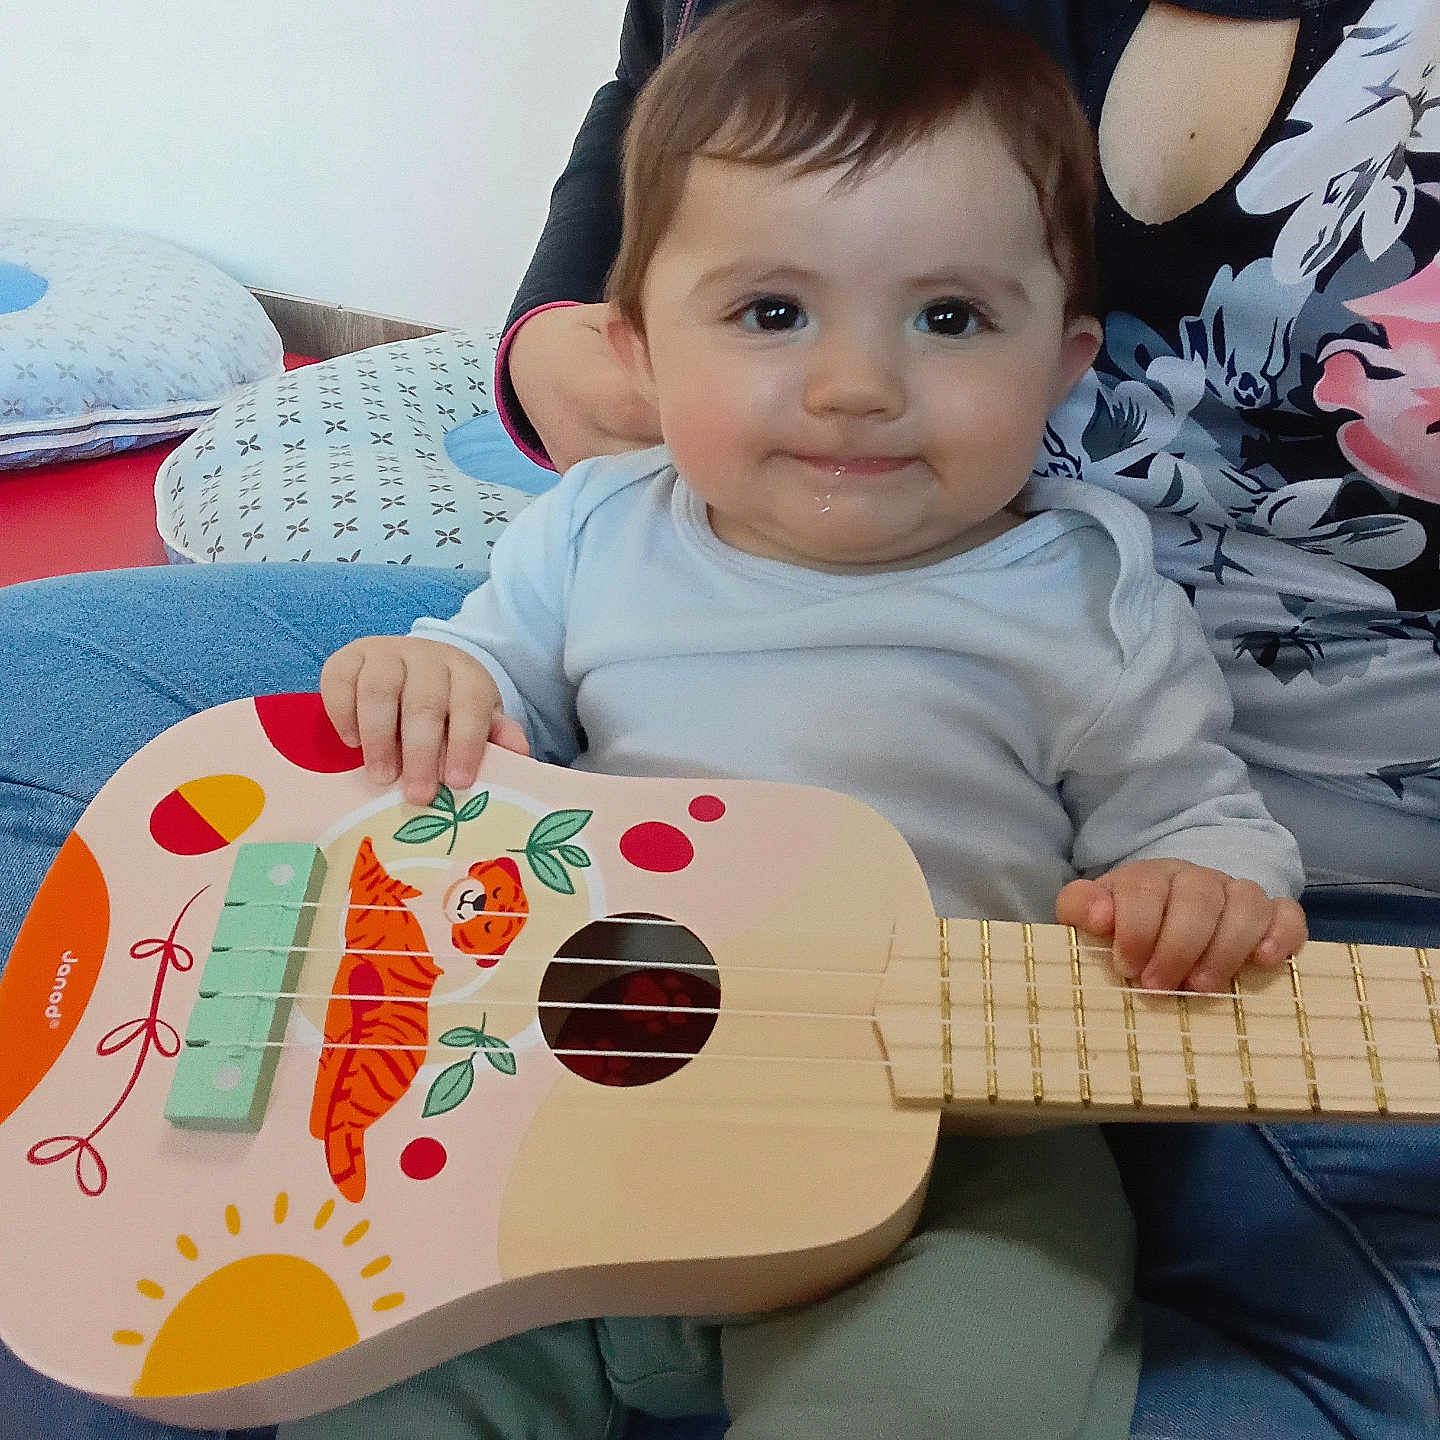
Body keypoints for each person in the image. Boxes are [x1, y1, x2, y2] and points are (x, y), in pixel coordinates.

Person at [0, 0, 1435, 1438]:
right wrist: (432, 683)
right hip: (558, 1113)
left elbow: (1190, 819)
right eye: (769, 313)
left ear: (1064, 365)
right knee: (351, 1376)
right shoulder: (596, 526)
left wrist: (1199, 892)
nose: (855, 386)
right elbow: (482, 690)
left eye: (950, 319)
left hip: (955, 1156)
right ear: (634, 345)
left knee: (964, 1377)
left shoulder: (1095, 593)